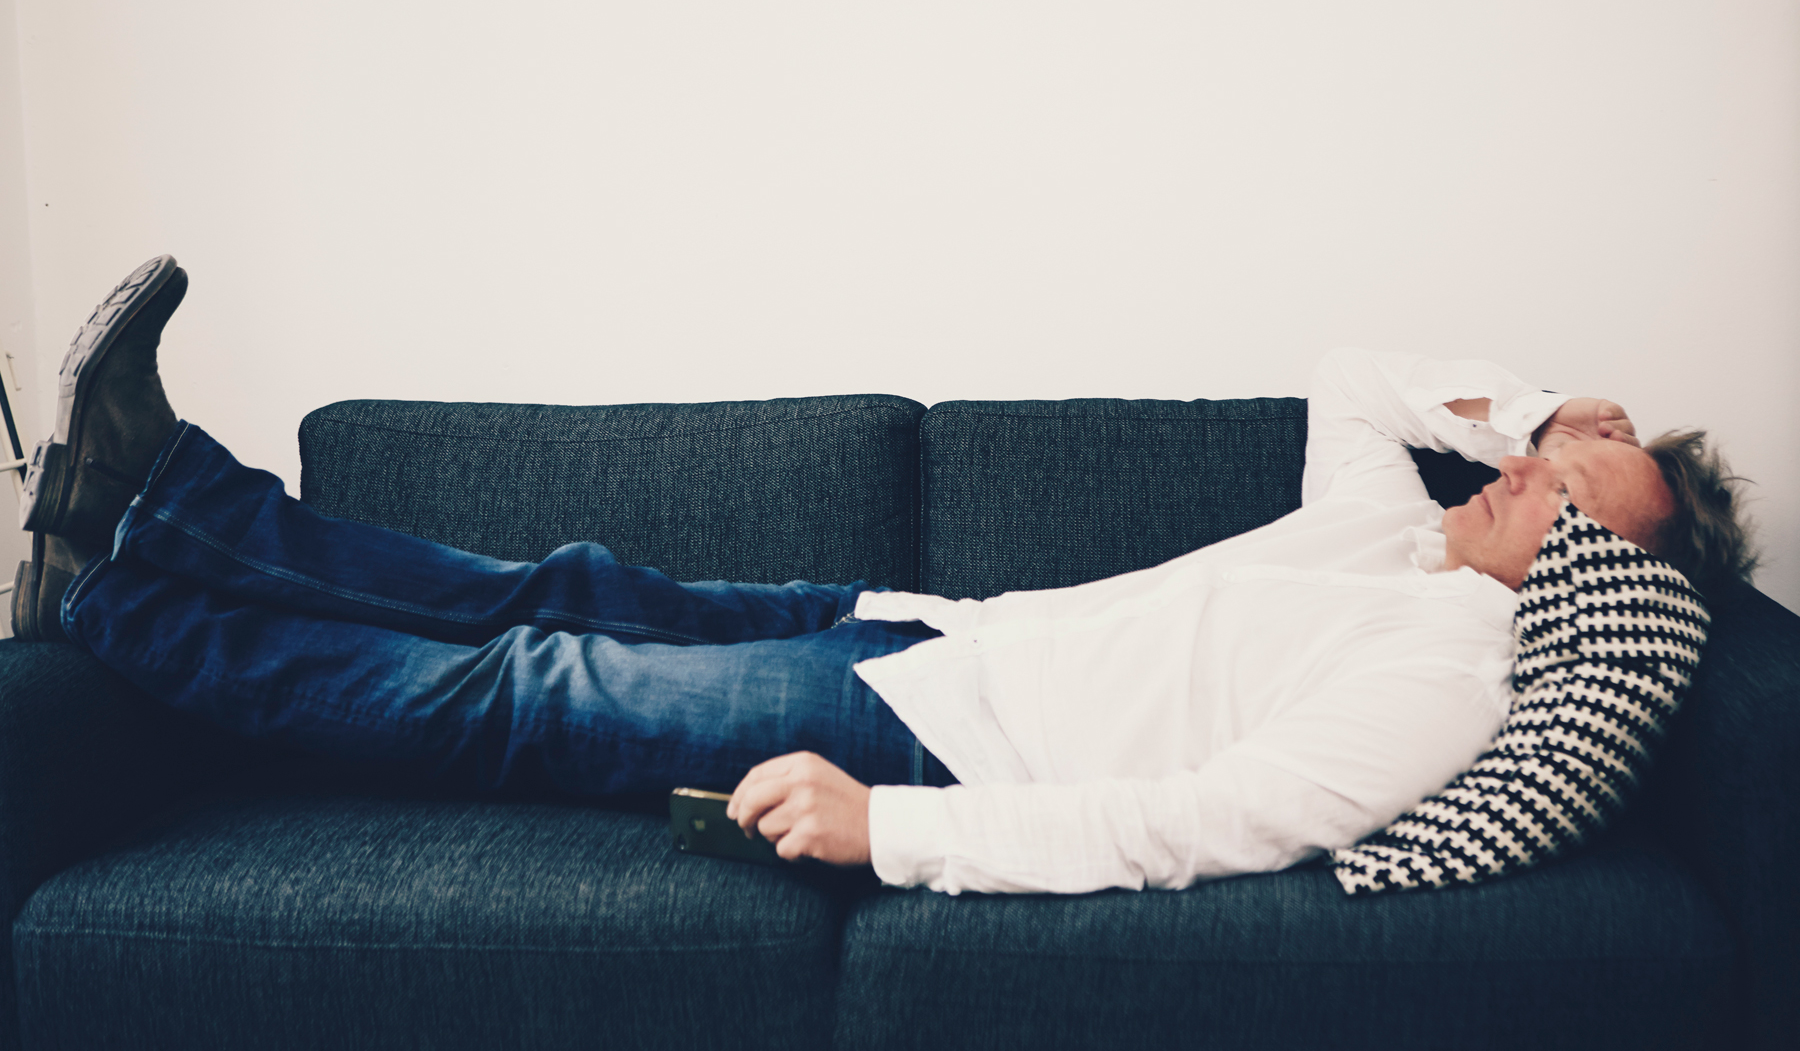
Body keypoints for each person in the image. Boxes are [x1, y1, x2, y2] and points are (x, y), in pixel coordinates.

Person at [12, 257, 1754, 895]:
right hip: (926, 635)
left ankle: (104, 602)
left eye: (1560, 485)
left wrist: (888, 832)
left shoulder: (1448, 676)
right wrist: (1539, 400)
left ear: (1590, 566)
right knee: (558, 582)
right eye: (1539, 446)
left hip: (942, 740)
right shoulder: (1394, 533)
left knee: (532, 690)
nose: (1518, 468)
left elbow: (1204, 825)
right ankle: (152, 494)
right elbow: (1365, 373)